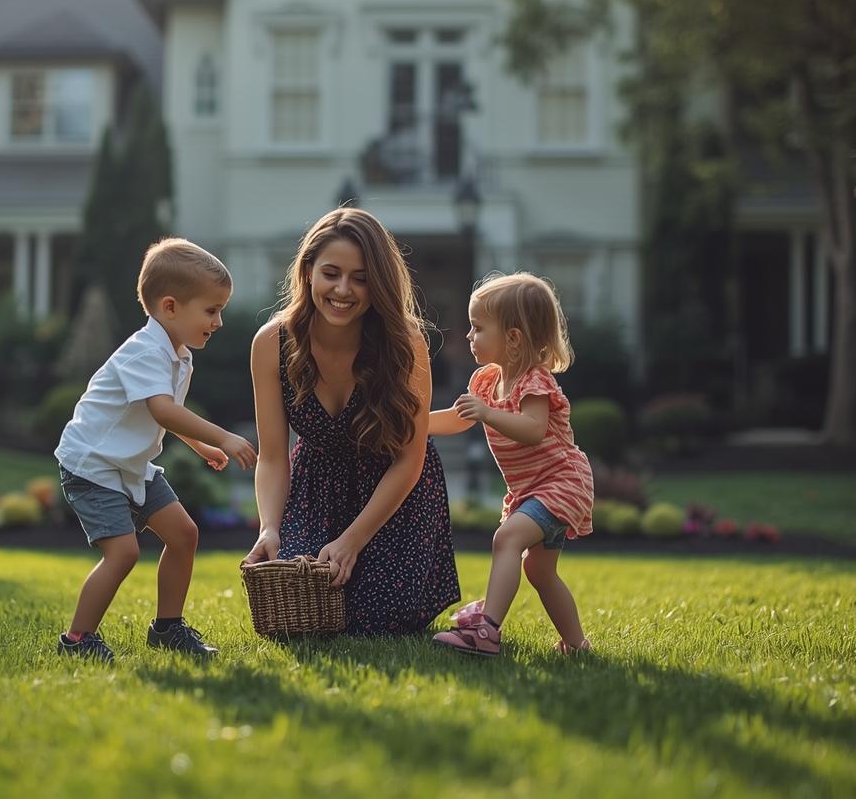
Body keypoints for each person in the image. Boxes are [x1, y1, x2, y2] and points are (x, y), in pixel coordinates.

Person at [243, 208, 460, 634]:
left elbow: (410, 458)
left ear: (379, 282)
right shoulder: (272, 342)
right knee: (302, 610)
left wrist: (352, 541)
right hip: (314, 490)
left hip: (393, 493)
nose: (344, 290)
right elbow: (272, 456)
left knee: (374, 619)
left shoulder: (406, 343)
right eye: (332, 273)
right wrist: (270, 529)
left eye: (361, 278)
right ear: (307, 273)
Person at [54, 238, 258, 662]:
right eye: (211, 310)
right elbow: (163, 411)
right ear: (170, 307)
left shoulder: (177, 353)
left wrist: (201, 446)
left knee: (184, 534)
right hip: (93, 466)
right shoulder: (145, 352)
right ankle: (77, 640)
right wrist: (222, 436)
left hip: (129, 465)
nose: (218, 322)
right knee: (124, 552)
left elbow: (170, 413)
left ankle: (168, 628)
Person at [428, 272, 595, 657]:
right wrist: (414, 424)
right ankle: (576, 645)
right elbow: (458, 418)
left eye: (477, 328)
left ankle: (487, 632)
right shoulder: (487, 381)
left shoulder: (536, 382)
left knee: (507, 539)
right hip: (531, 490)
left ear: (514, 338)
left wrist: (488, 414)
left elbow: (534, 430)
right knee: (539, 571)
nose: (469, 336)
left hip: (561, 482)